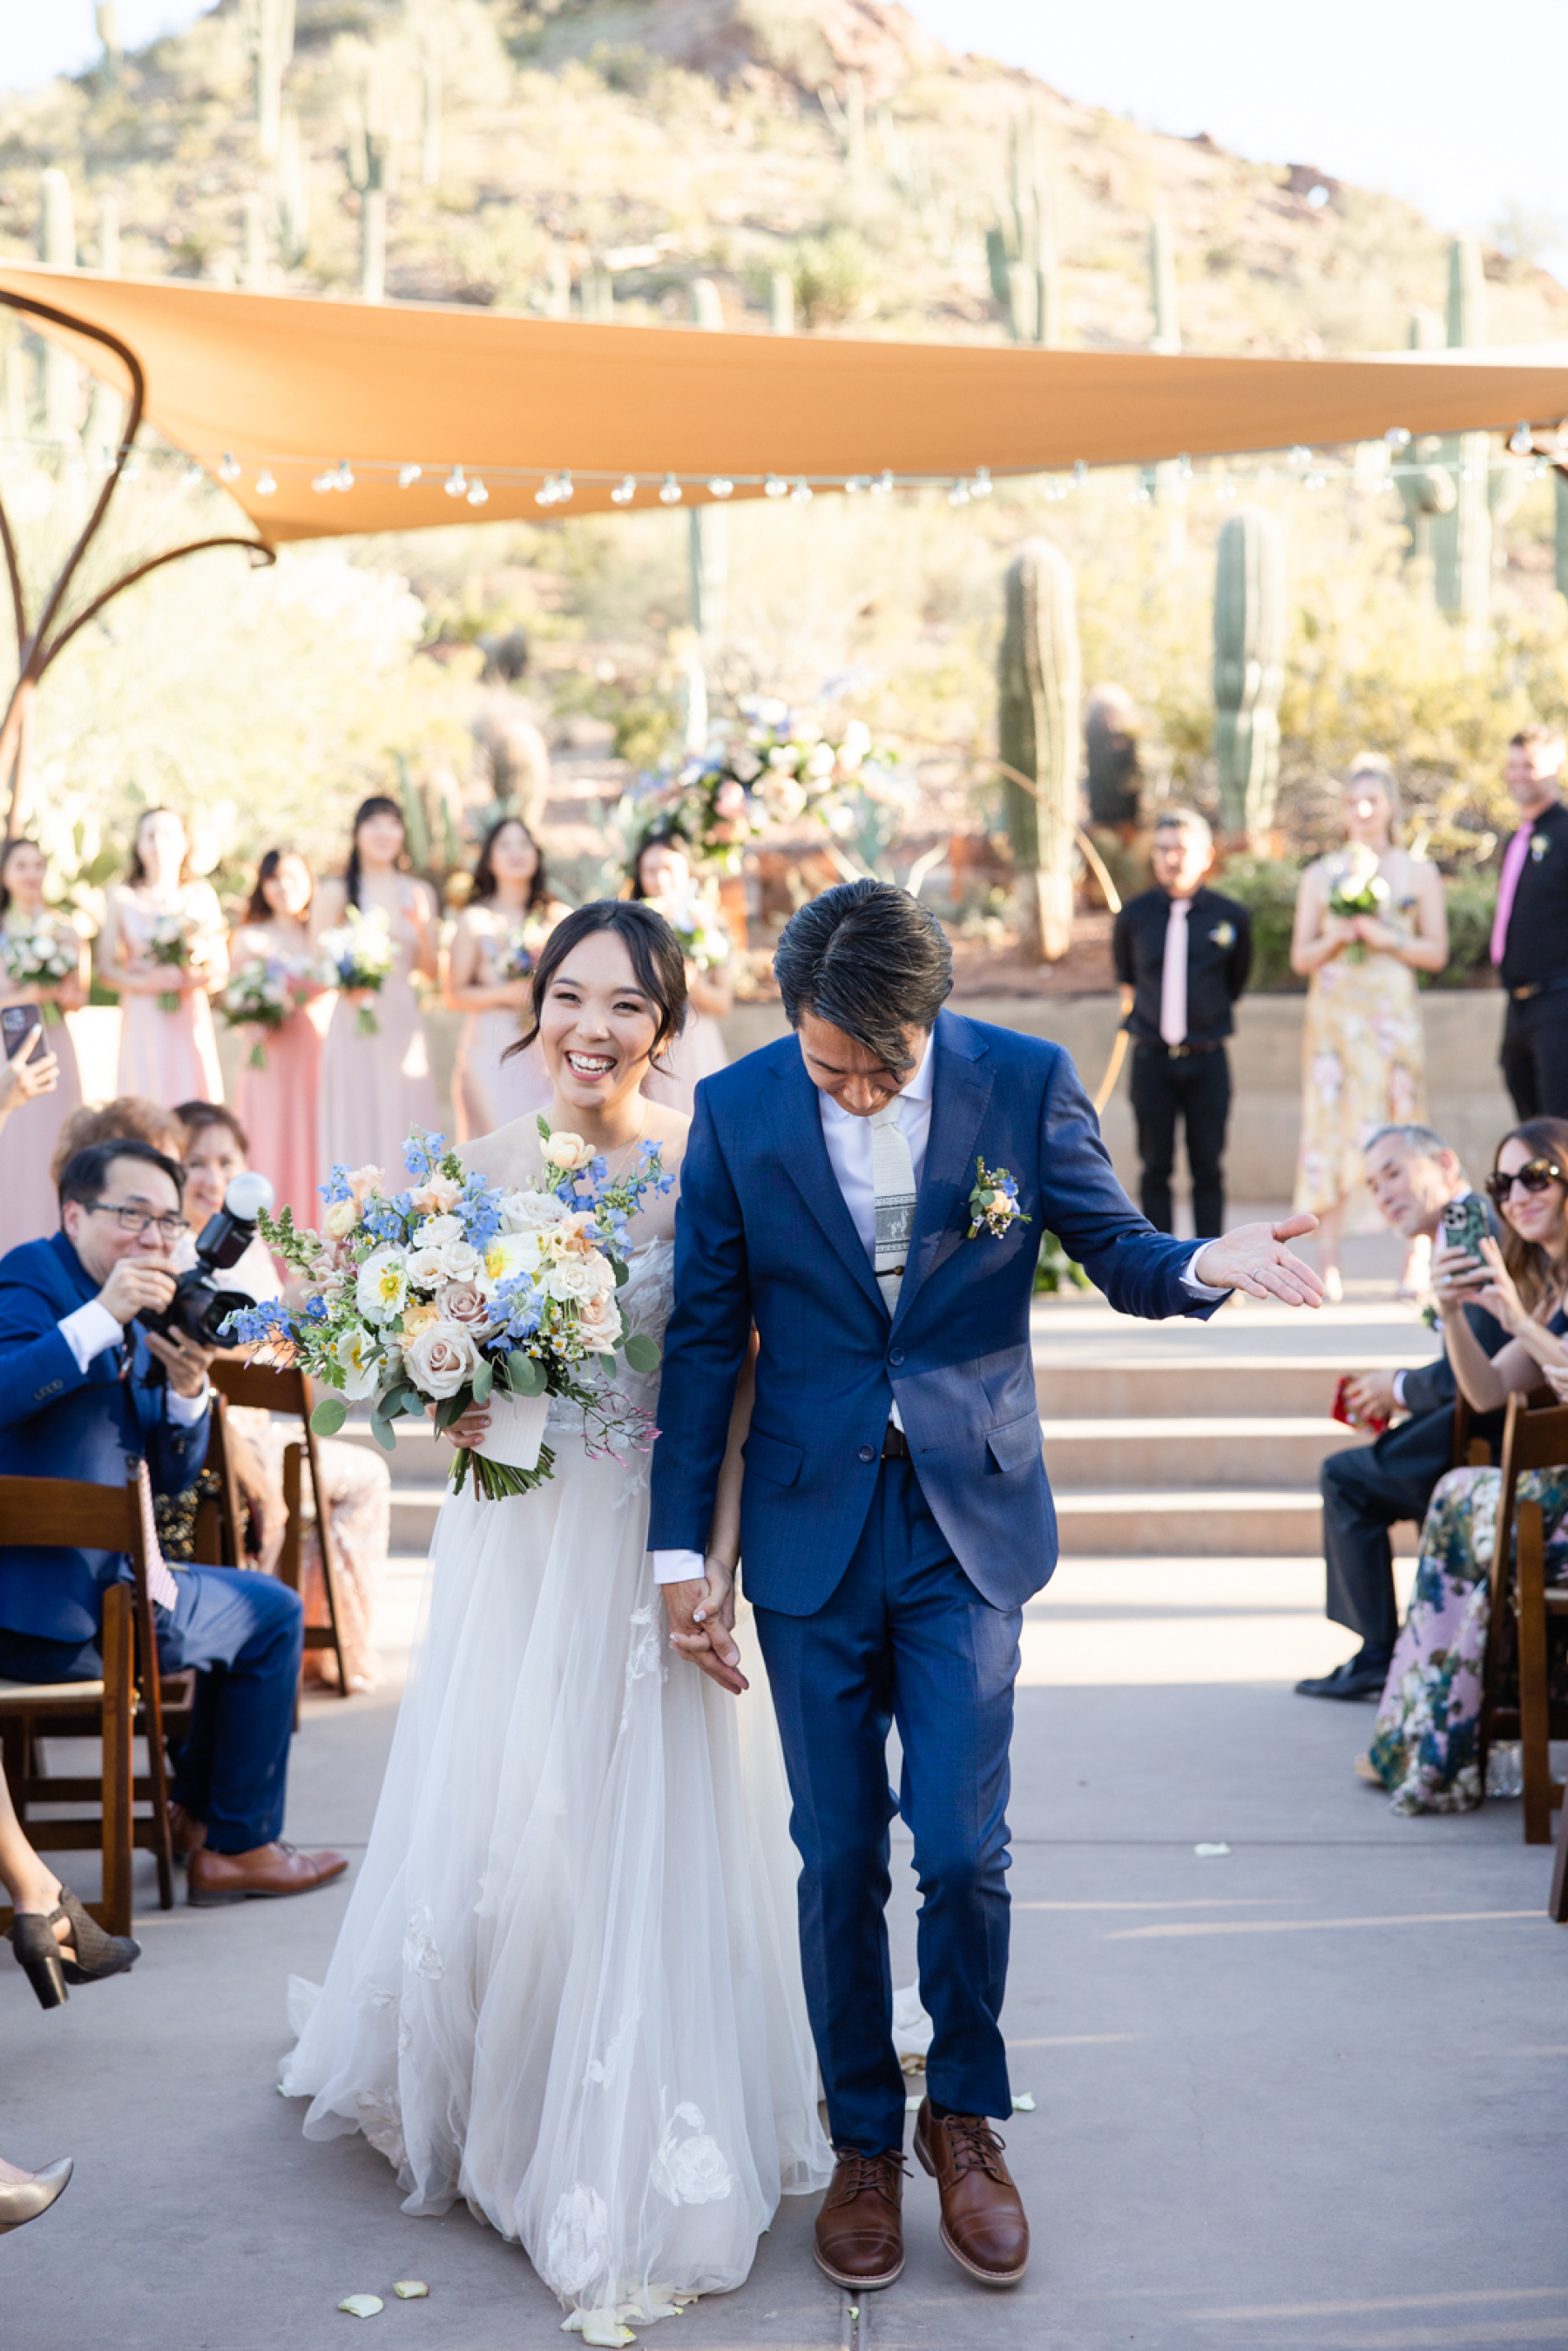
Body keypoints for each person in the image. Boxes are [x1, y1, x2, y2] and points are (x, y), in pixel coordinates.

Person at [649, 881, 1325, 2298]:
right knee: (837, 1852)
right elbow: (708, 1337)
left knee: (962, 1844)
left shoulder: (1021, 1082)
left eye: (874, 1066)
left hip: (967, 1520)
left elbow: (1118, 1248)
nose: (847, 1088)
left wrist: (1209, 1259)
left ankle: (965, 2113)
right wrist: (674, 1552)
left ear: (932, 1017)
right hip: (809, 1527)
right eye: (826, 1061)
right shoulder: (740, 1107)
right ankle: (859, 2138)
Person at [281, 902, 831, 2333]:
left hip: (641, 1534)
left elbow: (743, 1371)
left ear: (667, 1022)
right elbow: (428, 1372)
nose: (596, 1026)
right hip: (513, 1530)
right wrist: (444, 1387)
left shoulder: (701, 1160)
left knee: (633, 1811)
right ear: (532, 1010)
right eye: (571, 995)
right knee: (515, 1803)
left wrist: (713, 1557)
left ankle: (621, 2092)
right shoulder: (472, 1171)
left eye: (630, 1003)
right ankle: (503, 2076)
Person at [0, 1138, 347, 1906]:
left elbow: (173, 1476)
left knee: (260, 1609)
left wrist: (190, 1391)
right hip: (46, 1608)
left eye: (166, 1222)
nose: (153, 1239)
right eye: (132, 1216)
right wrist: (100, 1315)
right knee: (273, 1615)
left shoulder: (144, 1299)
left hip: (122, 1591)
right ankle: (240, 1843)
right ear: (73, 1213)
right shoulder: (34, 1275)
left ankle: (199, 1817)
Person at [1362, 1119, 1568, 1811]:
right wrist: (1451, 1312)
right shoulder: (1551, 1291)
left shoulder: (1536, 1301)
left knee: (1462, 1499)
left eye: (1535, 1176)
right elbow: (1486, 1391)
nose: (1516, 1195)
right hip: (1548, 1501)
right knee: (1458, 1494)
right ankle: (1432, 1736)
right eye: (1502, 1183)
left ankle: (1444, 1739)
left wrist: (1515, 1317)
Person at [175, 1100, 390, 1689]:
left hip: (252, 1430)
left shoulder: (242, 1246)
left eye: (226, 1161)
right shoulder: (167, 1252)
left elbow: (283, 1339)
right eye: (195, 1162)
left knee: (354, 1470)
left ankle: (316, 1643)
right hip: (209, 1438)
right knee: (367, 1474)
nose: (212, 1177)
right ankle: (326, 1647)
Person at [1297, 1122, 1510, 1702]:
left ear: (1444, 1164)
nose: (1383, 1191)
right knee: (1357, 1471)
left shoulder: (1470, 1228)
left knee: (1346, 1478)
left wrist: (1400, 1387)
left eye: (1393, 1171)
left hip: (1490, 1428)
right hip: (1474, 1416)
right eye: (1372, 1182)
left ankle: (1377, 1654)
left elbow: (1487, 1363)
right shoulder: (1462, 1226)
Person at [1291, 755, 1447, 1300]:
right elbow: (1300, 955)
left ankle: (1416, 1257)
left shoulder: (1416, 871)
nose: (1362, 811)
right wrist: (1338, 937)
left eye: (1372, 801)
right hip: (1335, 1021)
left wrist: (1388, 940)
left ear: (1390, 808)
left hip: (1391, 1021)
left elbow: (1436, 951)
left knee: (1403, 1123)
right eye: (1353, 801)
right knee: (1330, 1128)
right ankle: (1327, 1261)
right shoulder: (1321, 873)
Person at [1112, 806, 1252, 1239]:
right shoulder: (1134, 917)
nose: (1170, 858)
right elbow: (1128, 979)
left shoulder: (1230, 917)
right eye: (1162, 850)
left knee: (1207, 1166)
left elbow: (1236, 981)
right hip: (1152, 1058)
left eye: (1180, 849)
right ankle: (1161, 1268)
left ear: (1206, 855)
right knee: (1155, 1166)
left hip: (1207, 1059)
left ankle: (1213, 1264)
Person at [316, 796, 439, 1179]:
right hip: (355, 1022)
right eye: (374, 823)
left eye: (392, 822)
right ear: (357, 833)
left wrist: (422, 926)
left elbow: (433, 972)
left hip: (402, 1020)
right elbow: (316, 965)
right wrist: (347, 981)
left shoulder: (419, 892)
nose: (384, 832)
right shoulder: (335, 892)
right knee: (357, 1116)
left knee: (405, 1117)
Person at [444, 815, 567, 1138]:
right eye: (505, 845)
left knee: (547, 1145)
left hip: (545, 1047)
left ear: (536, 854)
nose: (516, 852)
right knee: (500, 1142)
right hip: (491, 1049)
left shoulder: (558, 916)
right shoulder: (474, 919)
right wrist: (506, 993)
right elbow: (453, 994)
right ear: (489, 859)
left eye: (524, 844)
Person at [98, 807, 226, 1104]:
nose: (159, 845)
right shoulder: (121, 896)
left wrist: (187, 976)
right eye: (150, 836)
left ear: (184, 842)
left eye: (168, 835)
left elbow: (220, 971)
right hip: (142, 1017)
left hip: (187, 1014)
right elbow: (106, 971)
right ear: (138, 845)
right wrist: (149, 982)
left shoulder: (201, 895)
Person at [231, 848, 329, 1233]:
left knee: (313, 1142)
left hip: (315, 1052)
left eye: (293, 877)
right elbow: (236, 996)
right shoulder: (249, 937)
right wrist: (253, 1014)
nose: (284, 887)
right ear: (263, 886)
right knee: (269, 1141)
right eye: (274, 878)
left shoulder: (320, 935)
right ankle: (268, 1237)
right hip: (268, 1056)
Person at [0, 836, 87, 1249]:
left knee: (57, 1140)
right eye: (22, 866)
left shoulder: (66, 929)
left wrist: (58, 984)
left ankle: (57, 1239)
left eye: (38, 865)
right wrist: (31, 992)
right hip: (7, 1048)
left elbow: (79, 997)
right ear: (5, 874)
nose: (32, 874)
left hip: (55, 1044)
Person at [1491, 724, 1568, 1120]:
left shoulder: (1565, 833)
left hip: (1559, 1001)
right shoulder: (1516, 839)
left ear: (1556, 766)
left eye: (1530, 765)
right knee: (1531, 1128)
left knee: (1560, 1127)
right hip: (1518, 1005)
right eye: (1513, 765)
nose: (1518, 774)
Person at [632, 828, 733, 1116]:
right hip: (646, 1044)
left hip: (697, 1045)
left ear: (687, 870)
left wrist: (689, 983)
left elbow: (722, 1003)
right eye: (650, 871)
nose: (660, 880)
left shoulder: (710, 924)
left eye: (668, 869)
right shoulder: (629, 928)